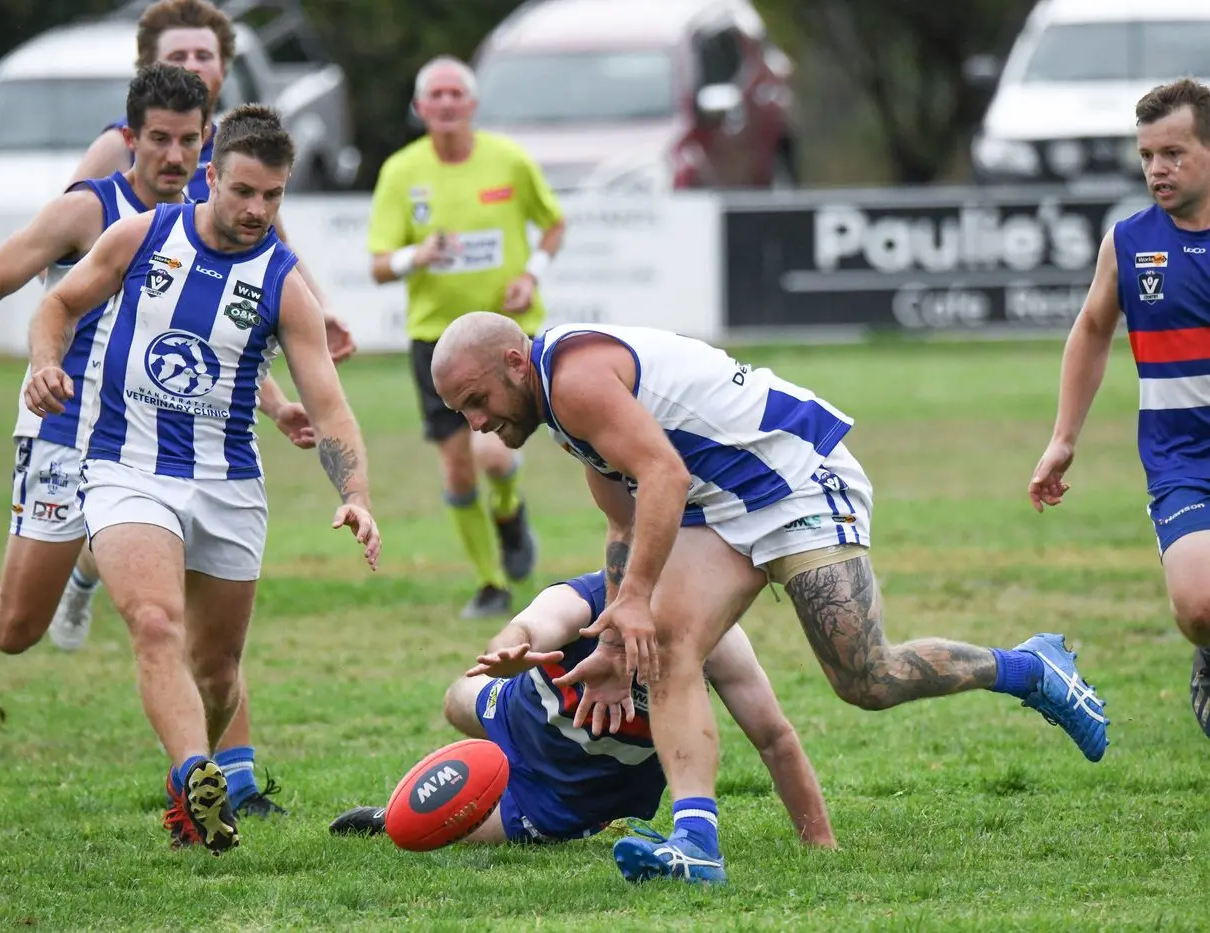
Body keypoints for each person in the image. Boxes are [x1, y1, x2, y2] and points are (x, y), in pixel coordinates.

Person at [429, 312, 1109, 884]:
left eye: (477, 400)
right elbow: (622, 522)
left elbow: (663, 476)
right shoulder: (557, 408)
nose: (476, 422)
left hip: (797, 479)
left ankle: (1028, 667)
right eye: (461, 411)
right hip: (722, 504)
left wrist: (635, 597)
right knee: (666, 645)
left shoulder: (574, 382)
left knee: (867, 679)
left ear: (515, 362)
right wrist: (614, 634)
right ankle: (696, 845)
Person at [0, 66, 305, 820]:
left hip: (161, 446)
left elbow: (216, 353)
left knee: (187, 621)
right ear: (128, 138)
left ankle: (229, 781)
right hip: (64, 432)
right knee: (19, 626)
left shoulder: (221, 219)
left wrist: (273, 406)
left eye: (189, 140)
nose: (174, 156)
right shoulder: (92, 210)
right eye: (158, 139)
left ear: (206, 146)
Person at [22, 103, 379, 854]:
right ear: (211, 177)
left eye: (273, 196)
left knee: (218, 674)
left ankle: (197, 776)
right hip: (126, 468)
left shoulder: (284, 285)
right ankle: (193, 779)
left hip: (229, 487)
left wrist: (356, 497)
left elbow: (330, 406)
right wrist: (46, 362)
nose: (257, 210)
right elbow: (58, 303)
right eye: (243, 191)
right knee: (155, 623)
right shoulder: (142, 236)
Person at [329, 570, 836, 858]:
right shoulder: (582, 599)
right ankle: (481, 768)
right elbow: (529, 627)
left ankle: (391, 817)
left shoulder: (715, 641)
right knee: (456, 697)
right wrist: (508, 652)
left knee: (457, 833)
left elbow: (774, 738)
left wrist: (819, 841)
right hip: (522, 713)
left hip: (571, 792)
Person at [1030, 77, 1210, 739]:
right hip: (1181, 459)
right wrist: (1063, 437)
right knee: (1198, 606)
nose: (1156, 169)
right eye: (1146, 156)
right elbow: (1091, 329)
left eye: (1173, 153)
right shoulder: (1129, 243)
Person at [368, 55, 566, 619]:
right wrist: (416, 256)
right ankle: (490, 583)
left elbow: (553, 224)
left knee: (495, 458)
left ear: (473, 104)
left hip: (504, 339)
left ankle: (510, 515)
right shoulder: (401, 172)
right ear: (420, 107)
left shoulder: (509, 161)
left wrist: (532, 276)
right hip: (435, 344)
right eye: (437, 94)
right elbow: (379, 265)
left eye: (457, 93)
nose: (448, 102)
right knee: (457, 469)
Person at [67, 0, 355, 377]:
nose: (193, 64)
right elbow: (58, 248)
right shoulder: (119, 145)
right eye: (178, 55)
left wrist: (321, 308)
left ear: (223, 68)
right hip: (107, 364)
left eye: (204, 55)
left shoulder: (233, 151)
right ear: (150, 66)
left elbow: (277, 247)